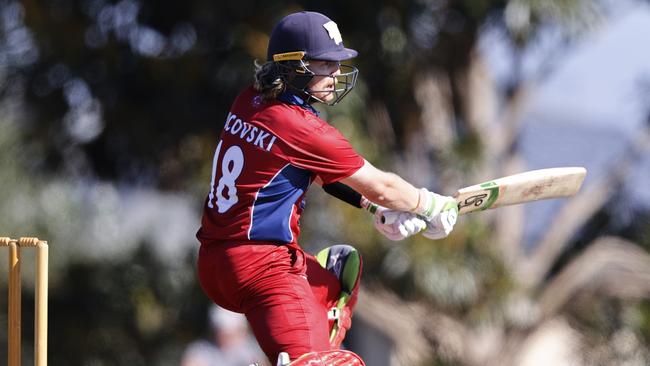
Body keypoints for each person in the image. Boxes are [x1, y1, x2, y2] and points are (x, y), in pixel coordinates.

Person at [195, 11, 458, 365]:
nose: (335, 74)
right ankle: (310, 354)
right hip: (263, 270)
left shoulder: (248, 101)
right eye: (324, 63)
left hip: (214, 262)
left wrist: (376, 210)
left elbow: (319, 174)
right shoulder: (302, 128)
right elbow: (381, 184)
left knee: (337, 274)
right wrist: (427, 205)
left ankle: (307, 343)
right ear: (294, 66)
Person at [181, 305, 267, 366]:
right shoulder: (201, 350)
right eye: (221, 333)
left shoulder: (251, 349)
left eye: (230, 334)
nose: (225, 338)